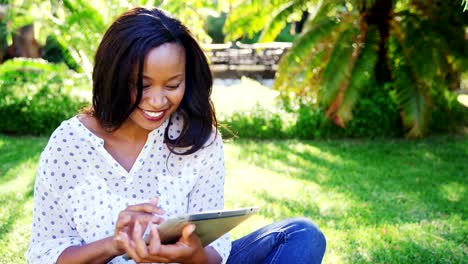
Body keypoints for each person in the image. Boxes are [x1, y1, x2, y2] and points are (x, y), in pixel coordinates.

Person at [25, 7, 326, 264]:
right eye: (141, 85)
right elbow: (44, 252)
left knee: (302, 236)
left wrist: (191, 254)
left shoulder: (199, 138)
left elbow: (216, 249)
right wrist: (114, 245)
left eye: (172, 85)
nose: (158, 101)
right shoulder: (71, 143)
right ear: (113, 77)